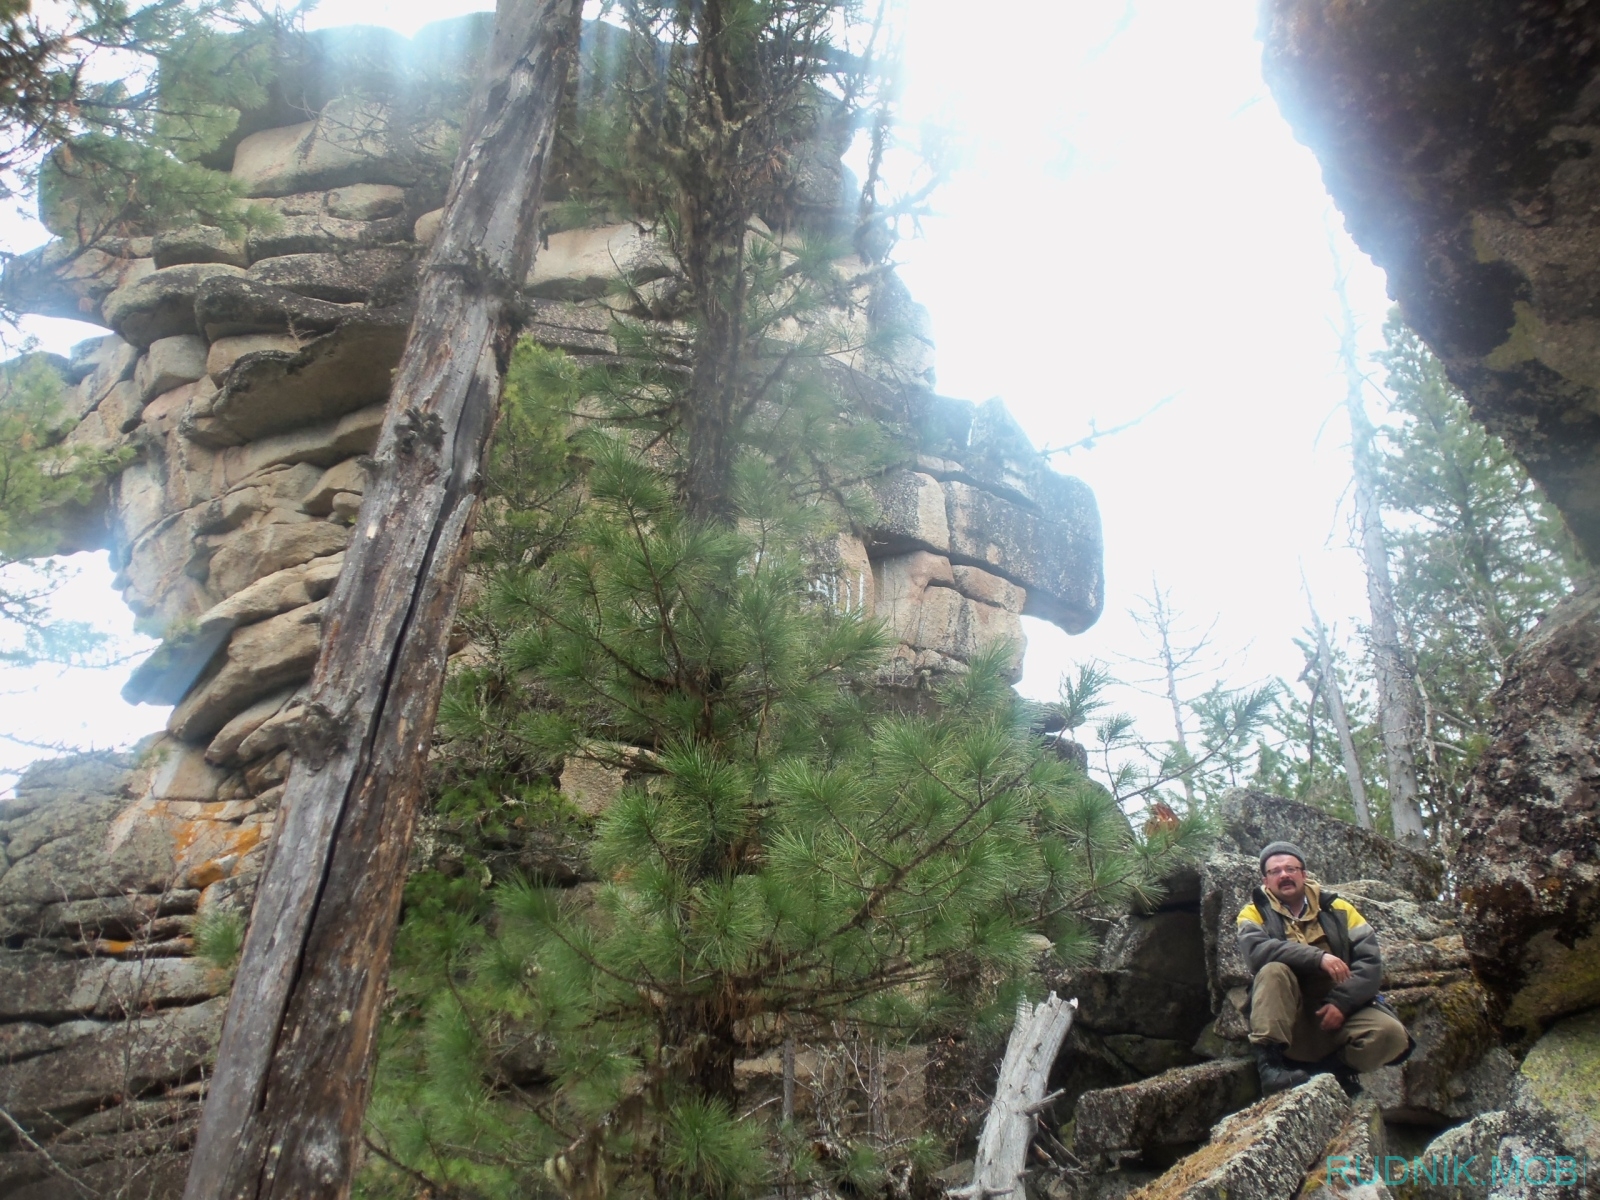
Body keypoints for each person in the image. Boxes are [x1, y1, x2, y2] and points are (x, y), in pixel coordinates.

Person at [1236, 841, 1411, 1094]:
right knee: (1273, 971)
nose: (1284, 875)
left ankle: (1335, 1074)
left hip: (1336, 1012)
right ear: (1266, 880)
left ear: (1304, 874)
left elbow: (1370, 962)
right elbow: (1256, 952)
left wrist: (1342, 1002)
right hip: (1287, 1017)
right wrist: (1318, 957)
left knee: (1391, 1034)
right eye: (1275, 871)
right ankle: (1271, 1068)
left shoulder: (1339, 909)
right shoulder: (1253, 913)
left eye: (1291, 869)